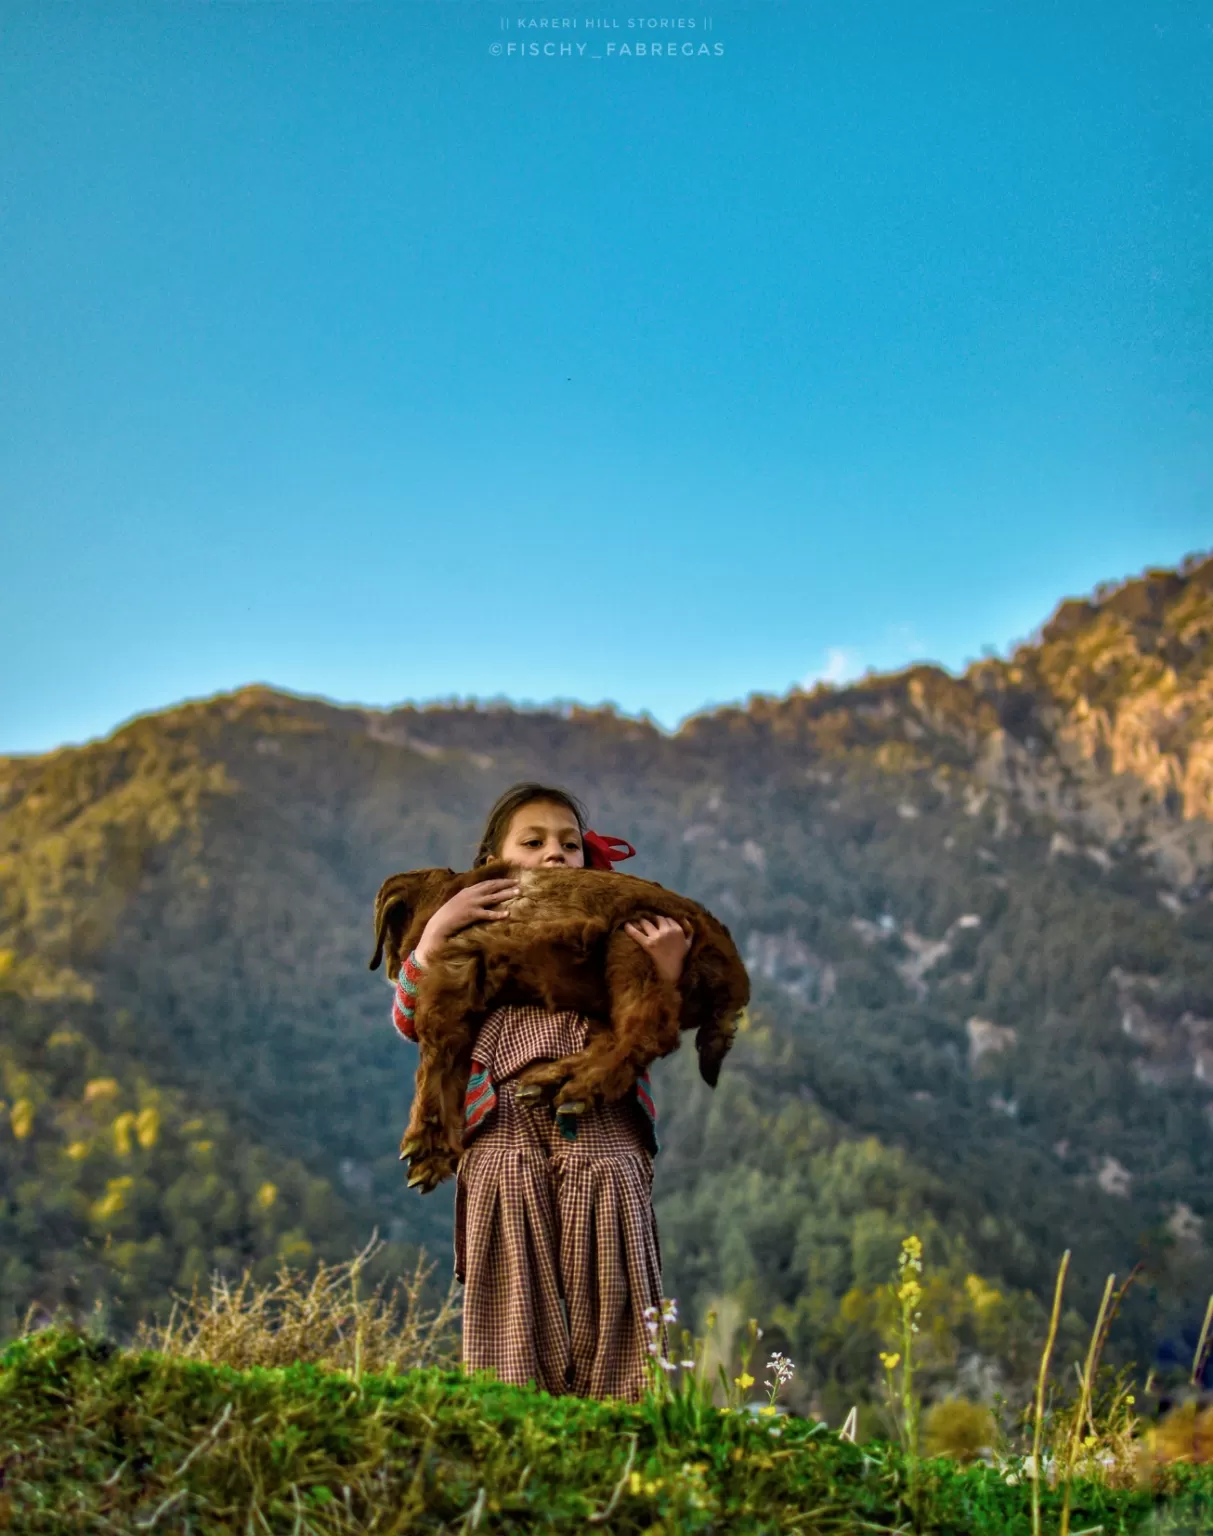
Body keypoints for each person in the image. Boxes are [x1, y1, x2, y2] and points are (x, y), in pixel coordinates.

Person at [387, 781, 690, 1401]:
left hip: (604, 1143)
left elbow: (653, 1026)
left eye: (570, 844)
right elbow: (414, 1016)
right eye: (534, 841)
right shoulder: (473, 931)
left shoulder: (612, 932)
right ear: (493, 861)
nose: (556, 854)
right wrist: (436, 933)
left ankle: (622, 1445)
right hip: (502, 1141)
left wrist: (665, 972)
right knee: (512, 1311)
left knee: (616, 1305)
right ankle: (519, 1446)